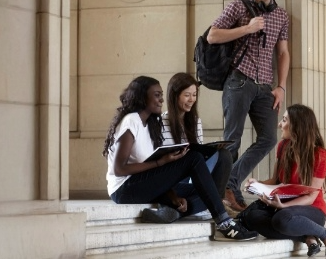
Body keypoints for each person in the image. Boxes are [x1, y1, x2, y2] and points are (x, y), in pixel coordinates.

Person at [102, 76, 256, 241]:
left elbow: (155, 174)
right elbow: (119, 169)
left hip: (142, 184)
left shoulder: (150, 124)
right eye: (157, 95)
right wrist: (160, 162)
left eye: (161, 95)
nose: (162, 99)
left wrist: (173, 197)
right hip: (124, 189)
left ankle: (174, 211)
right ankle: (224, 224)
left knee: (208, 192)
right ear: (142, 97)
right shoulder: (131, 121)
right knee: (194, 158)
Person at [207, 0, 290, 212]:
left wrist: (281, 86)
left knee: (268, 138)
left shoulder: (281, 15)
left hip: (265, 87)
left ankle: (229, 183)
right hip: (238, 80)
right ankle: (222, 194)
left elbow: (283, 53)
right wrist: (247, 28)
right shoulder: (238, 7)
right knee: (232, 140)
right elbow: (212, 35)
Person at [240, 104, 326, 256]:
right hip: (285, 208)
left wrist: (282, 206)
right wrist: (257, 184)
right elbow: (275, 181)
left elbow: (311, 197)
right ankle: (307, 237)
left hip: (312, 210)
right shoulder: (282, 147)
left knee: (282, 219)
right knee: (252, 217)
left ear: (297, 126)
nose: (280, 124)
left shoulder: (320, 155)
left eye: (285, 120)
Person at [160, 72, 233, 221]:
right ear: (175, 95)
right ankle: (206, 206)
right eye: (187, 95)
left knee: (224, 154)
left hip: (192, 174)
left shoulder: (195, 121)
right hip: (172, 179)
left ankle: (200, 206)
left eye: (194, 95)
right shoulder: (161, 122)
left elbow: (198, 153)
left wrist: (211, 150)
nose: (191, 99)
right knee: (208, 192)